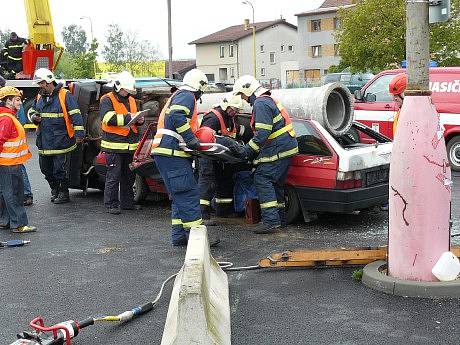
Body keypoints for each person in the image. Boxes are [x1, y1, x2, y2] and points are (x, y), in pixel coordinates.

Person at [152, 68, 219, 247]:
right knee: (188, 194)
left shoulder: (180, 95)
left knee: (179, 195)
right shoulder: (187, 95)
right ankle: (198, 240)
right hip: (171, 153)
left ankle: (179, 235)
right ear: (199, 87)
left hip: (167, 153)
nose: (199, 96)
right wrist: (192, 140)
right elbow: (177, 116)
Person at [233, 75, 298, 234]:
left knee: (262, 178)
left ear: (248, 90)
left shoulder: (261, 103)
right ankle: (280, 219)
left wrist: (247, 150)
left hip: (278, 149)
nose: (244, 99)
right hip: (285, 148)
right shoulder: (268, 100)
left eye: (242, 95)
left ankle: (270, 221)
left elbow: (262, 134)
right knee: (276, 184)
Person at [28, 68, 84, 204]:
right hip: (44, 140)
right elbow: (32, 110)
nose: (39, 86)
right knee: (45, 169)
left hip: (61, 140)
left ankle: (63, 192)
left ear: (48, 81)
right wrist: (34, 117)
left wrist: (79, 135)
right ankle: (55, 189)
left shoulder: (65, 95)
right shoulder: (40, 96)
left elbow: (76, 115)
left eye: (41, 83)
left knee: (59, 170)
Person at [99, 71, 146, 214]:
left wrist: (139, 120)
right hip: (113, 146)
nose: (129, 92)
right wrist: (128, 118)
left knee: (129, 176)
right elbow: (108, 118)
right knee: (113, 176)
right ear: (119, 87)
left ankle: (127, 203)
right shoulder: (107, 99)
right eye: (127, 90)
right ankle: (111, 204)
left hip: (129, 145)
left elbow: (134, 117)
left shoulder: (131, 100)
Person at [198, 95, 244, 225]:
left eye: (237, 110)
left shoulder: (230, 118)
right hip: (208, 155)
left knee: (224, 181)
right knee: (207, 182)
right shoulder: (213, 118)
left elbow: (232, 136)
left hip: (221, 157)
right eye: (234, 109)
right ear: (226, 105)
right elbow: (204, 139)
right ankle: (203, 216)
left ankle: (223, 211)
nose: (235, 112)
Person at [0, 86, 36, 233]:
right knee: (15, 194)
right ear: (8, 101)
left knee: (5, 193)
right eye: (17, 99)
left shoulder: (6, 117)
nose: (20, 102)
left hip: (7, 163)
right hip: (10, 164)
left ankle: (5, 221)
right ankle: (19, 224)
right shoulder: (7, 119)